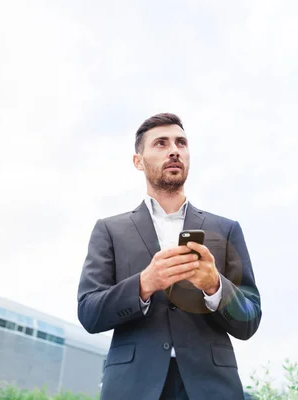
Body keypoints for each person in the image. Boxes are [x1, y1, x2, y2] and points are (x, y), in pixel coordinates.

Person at [77, 113, 262, 400]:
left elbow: (250, 319)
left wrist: (215, 286)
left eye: (181, 143)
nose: (174, 150)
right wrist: (144, 284)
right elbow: (89, 312)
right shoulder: (109, 230)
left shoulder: (226, 230)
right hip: (133, 386)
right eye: (161, 143)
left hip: (212, 386)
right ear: (138, 161)